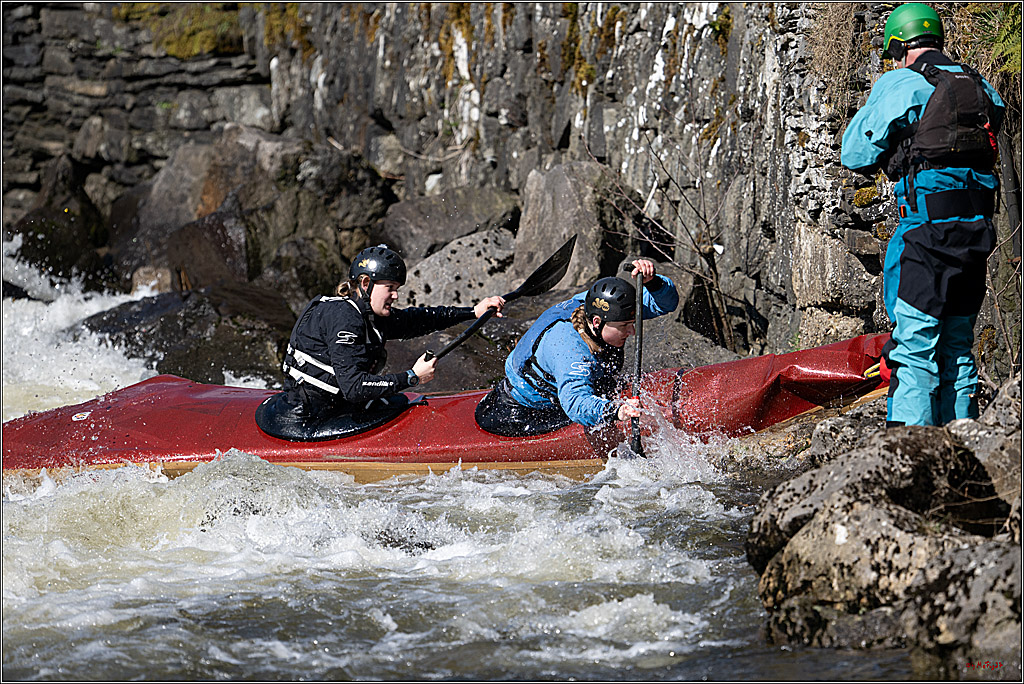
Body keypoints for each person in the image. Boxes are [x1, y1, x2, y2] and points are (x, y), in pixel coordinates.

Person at [840, 2, 1005, 427]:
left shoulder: (902, 82)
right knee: (957, 345)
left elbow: (855, 152)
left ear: (898, 45)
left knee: (913, 347)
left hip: (928, 232)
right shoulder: (977, 83)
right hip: (977, 230)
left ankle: (909, 454)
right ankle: (966, 445)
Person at [257, 244, 505, 440]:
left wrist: (474, 311)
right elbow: (354, 388)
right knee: (397, 398)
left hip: (332, 406)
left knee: (396, 401)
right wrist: (412, 378)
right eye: (390, 287)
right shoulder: (344, 318)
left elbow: (417, 320)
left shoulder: (366, 314)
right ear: (366, 283)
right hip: (309, 418)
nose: (396, 295)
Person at [476, 259, 678, 436]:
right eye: (624, 326)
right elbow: (575, 402)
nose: (632, 331)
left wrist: (654, 283)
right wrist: (617, 411)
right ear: (597, 322)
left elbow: (664, 304)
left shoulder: (605, 306)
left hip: (574, 385)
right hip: (526, 411)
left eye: (632, 323)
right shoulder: (570, 350)